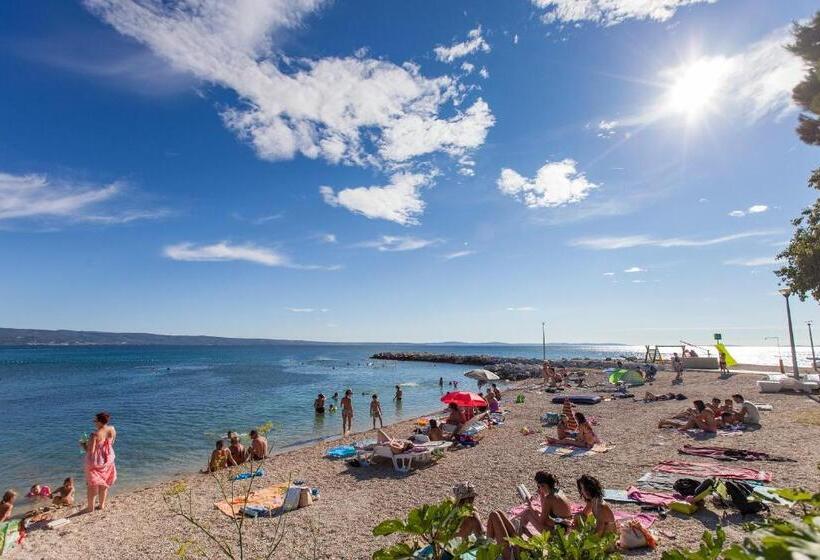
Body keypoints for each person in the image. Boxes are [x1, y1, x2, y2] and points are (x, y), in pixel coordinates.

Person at [452, 482, 517, 560]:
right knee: (494, 514)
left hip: (485, 546)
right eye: (470, 499)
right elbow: (481, 534)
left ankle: (516, 544)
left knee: (496, 513)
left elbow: (480, 536)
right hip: (500, 552)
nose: (471, 501)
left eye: (472, 499)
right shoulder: (470, 515)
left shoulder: (463, 512)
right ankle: (517, 543)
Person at [81, 411, 117, 514]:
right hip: (108, 459)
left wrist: (83, 444)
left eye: (95, 421)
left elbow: (90, 451)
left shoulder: (95, 435)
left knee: (91, 486)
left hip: (95, 462)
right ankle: (101, 505)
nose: (94, 422)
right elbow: (111, 443)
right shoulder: (112, 429)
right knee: (104, 483)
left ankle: (90, 508)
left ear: (100, 422)